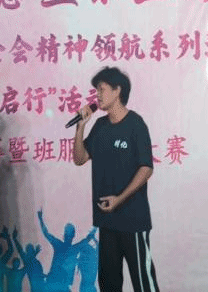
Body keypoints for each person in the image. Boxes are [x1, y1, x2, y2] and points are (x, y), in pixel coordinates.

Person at [73, 67, 160, 292]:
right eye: (96, 91)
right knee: (109, 284)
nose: (97, 96)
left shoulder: (135, 124)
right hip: (106, 220)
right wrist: (81, 127)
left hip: (132, 219)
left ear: (117, 90)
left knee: (144, 282)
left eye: (101, 89)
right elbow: (80, 159)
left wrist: (120, 199)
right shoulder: (100, 126)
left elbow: (146, 168)